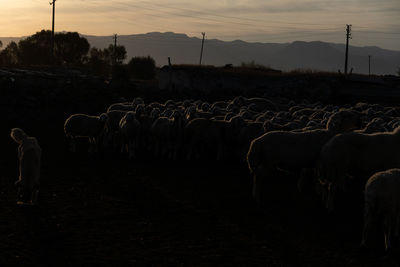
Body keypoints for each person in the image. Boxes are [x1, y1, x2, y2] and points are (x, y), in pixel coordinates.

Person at [10, 128, 42, 206]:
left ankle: (28, 200)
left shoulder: (27, 146)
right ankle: (32, 200)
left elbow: (27, 165)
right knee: (32, 183)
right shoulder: (31, 143)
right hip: (33, 169)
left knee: (29, 184)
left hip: (29, 171)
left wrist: (22, 179)